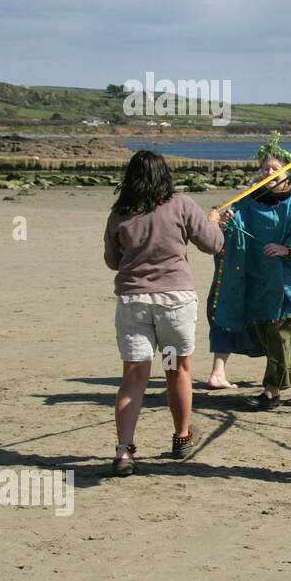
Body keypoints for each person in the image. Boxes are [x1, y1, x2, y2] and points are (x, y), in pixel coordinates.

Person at [103, 150, 224, 475]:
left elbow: (113, 260)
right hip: (173, 303)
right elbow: (212, 243)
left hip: (134, 303)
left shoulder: (120, 212)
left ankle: (124, 450)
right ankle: (182, 436)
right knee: (176, 369)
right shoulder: (180, 204)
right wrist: (213, 223)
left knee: (133, 377)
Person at [209, 134, 291, 410]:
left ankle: (271, 392)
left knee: (287, 334)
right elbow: (234, 226)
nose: (269, 172)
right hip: (259, 280)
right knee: (273, 336)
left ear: (289, 171)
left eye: (275, 168)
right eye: (265, 168)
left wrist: (287, 248)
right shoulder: (251, 200)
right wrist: (227, 221)